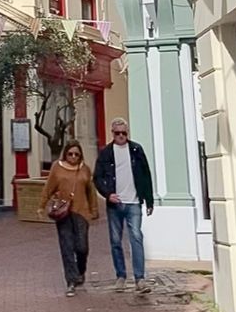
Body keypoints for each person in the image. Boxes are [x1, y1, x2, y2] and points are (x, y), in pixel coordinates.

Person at [93, 118, 154, 295]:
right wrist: (107, 194)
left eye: (124, 133)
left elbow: (145, 175)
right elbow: (97, 177)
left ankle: (139, 278)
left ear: (128, 133)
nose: (121, 136)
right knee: (115, 241)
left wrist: (149, 200)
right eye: (117, 133)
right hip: (115, 204)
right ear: (112, 133)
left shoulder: (136, 150)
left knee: (136, 237)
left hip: (134, 202)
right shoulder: (106, 153)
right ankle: (121, 275)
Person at [37, 140, 99, 297]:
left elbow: (91, 191)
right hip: (64, 213)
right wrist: (41, 205)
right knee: (67, 247)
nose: (73, 157)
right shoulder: (57, 168)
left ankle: (80, 271)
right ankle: (71, 281)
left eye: (76, 154)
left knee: (82, 247)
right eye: (70, 154)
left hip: (81, 213)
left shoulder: (85, 169)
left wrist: (94, 210)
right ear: (65, 154)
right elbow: (48, 187)